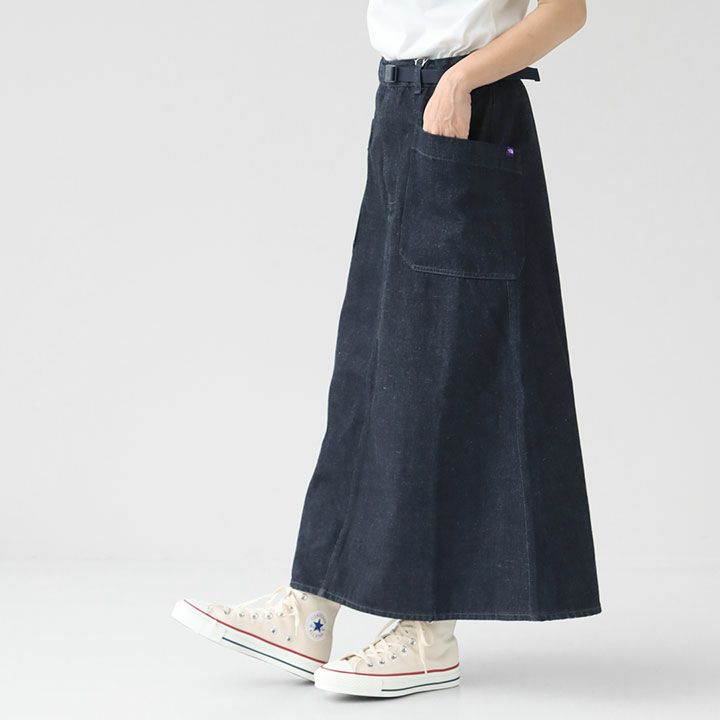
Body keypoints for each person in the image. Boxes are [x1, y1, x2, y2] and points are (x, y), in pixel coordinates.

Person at [172, 0, 600, 699]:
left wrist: (460, 81)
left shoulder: (462, 88)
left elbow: (566, 11)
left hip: (466, 105)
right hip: (400, 104)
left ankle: (428, 632)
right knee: (369, 366)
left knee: (443, 371)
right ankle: (313, 609)